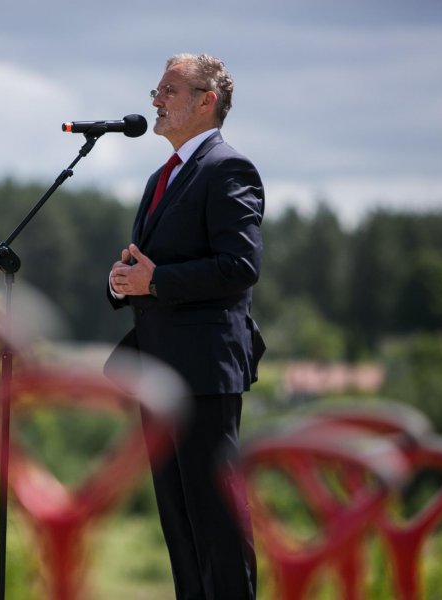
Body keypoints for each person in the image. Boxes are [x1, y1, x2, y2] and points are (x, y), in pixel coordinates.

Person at [106, 53, 265, 600]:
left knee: (217, 527)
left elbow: (241, 267)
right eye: (156, 89)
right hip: (159, 375)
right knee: (180, 528)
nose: (155, 100)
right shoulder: (161, 177)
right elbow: (152, 269)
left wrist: (156, 282)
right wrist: (124, 282)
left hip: (204, 375)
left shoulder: (228, 169)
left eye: (168, 90)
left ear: (206, 101)